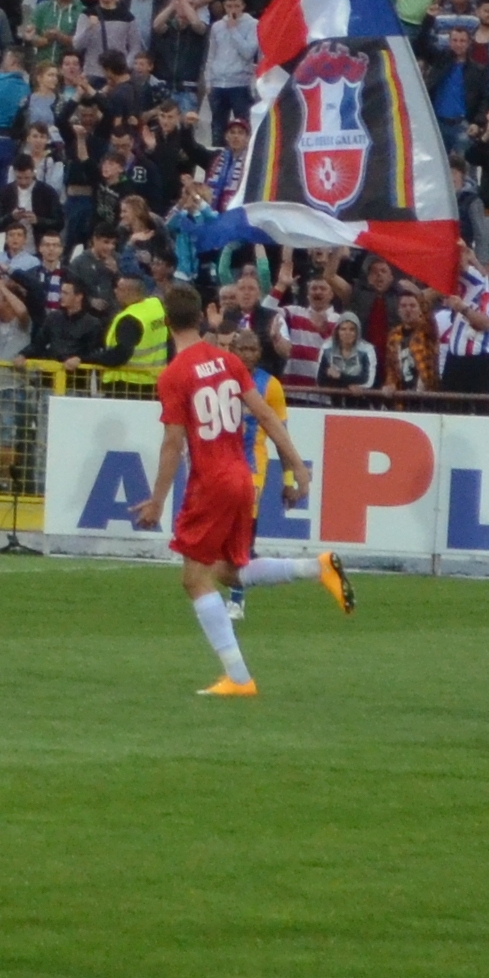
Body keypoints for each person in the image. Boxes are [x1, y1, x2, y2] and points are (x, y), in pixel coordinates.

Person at [128, 284, 349, 695]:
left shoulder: (174, 375)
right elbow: (266, 416)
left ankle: (239, 677)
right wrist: (297, 466)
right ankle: (315, 568)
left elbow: (173, 444)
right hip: (243, 476)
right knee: (228, 570)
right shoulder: (228, 362)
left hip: (211, 481)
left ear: (163, 324)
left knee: (195, 579)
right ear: (202, 317)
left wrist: (158, 500)